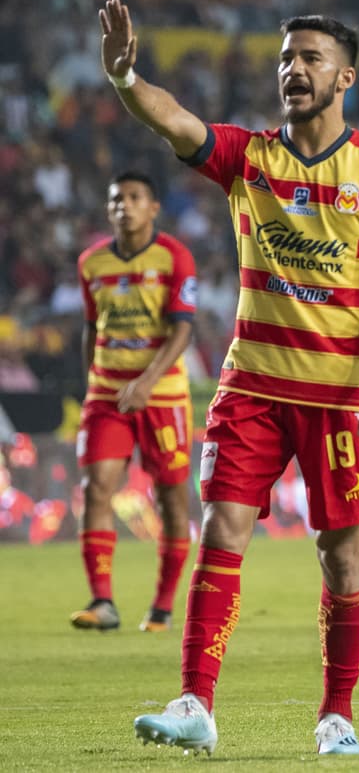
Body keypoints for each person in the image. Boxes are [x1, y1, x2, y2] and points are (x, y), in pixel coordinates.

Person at [101, 0, 359, 755]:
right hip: (252, 387)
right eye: (286, 58)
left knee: (340, 553)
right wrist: (124, 78)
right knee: (223, 528)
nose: (295, 69)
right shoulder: (250, 155)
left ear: (346, 75)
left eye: (311, 57)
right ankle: (196, 702)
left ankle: (336, 713)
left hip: (340, 397)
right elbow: (174, 119)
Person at [72, 171, 196, 635]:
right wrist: (92, 382)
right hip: (107, 394)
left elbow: (184, 328)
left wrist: (147, 380)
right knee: (96, 487)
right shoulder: (91, 264)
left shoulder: (175, 257)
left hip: (161, 395)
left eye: (134, 197)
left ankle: (162, 608)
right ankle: (102, 601)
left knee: (170, 500)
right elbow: (91, 327)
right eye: (116, 199)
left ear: (153, 207)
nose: (124, 205)